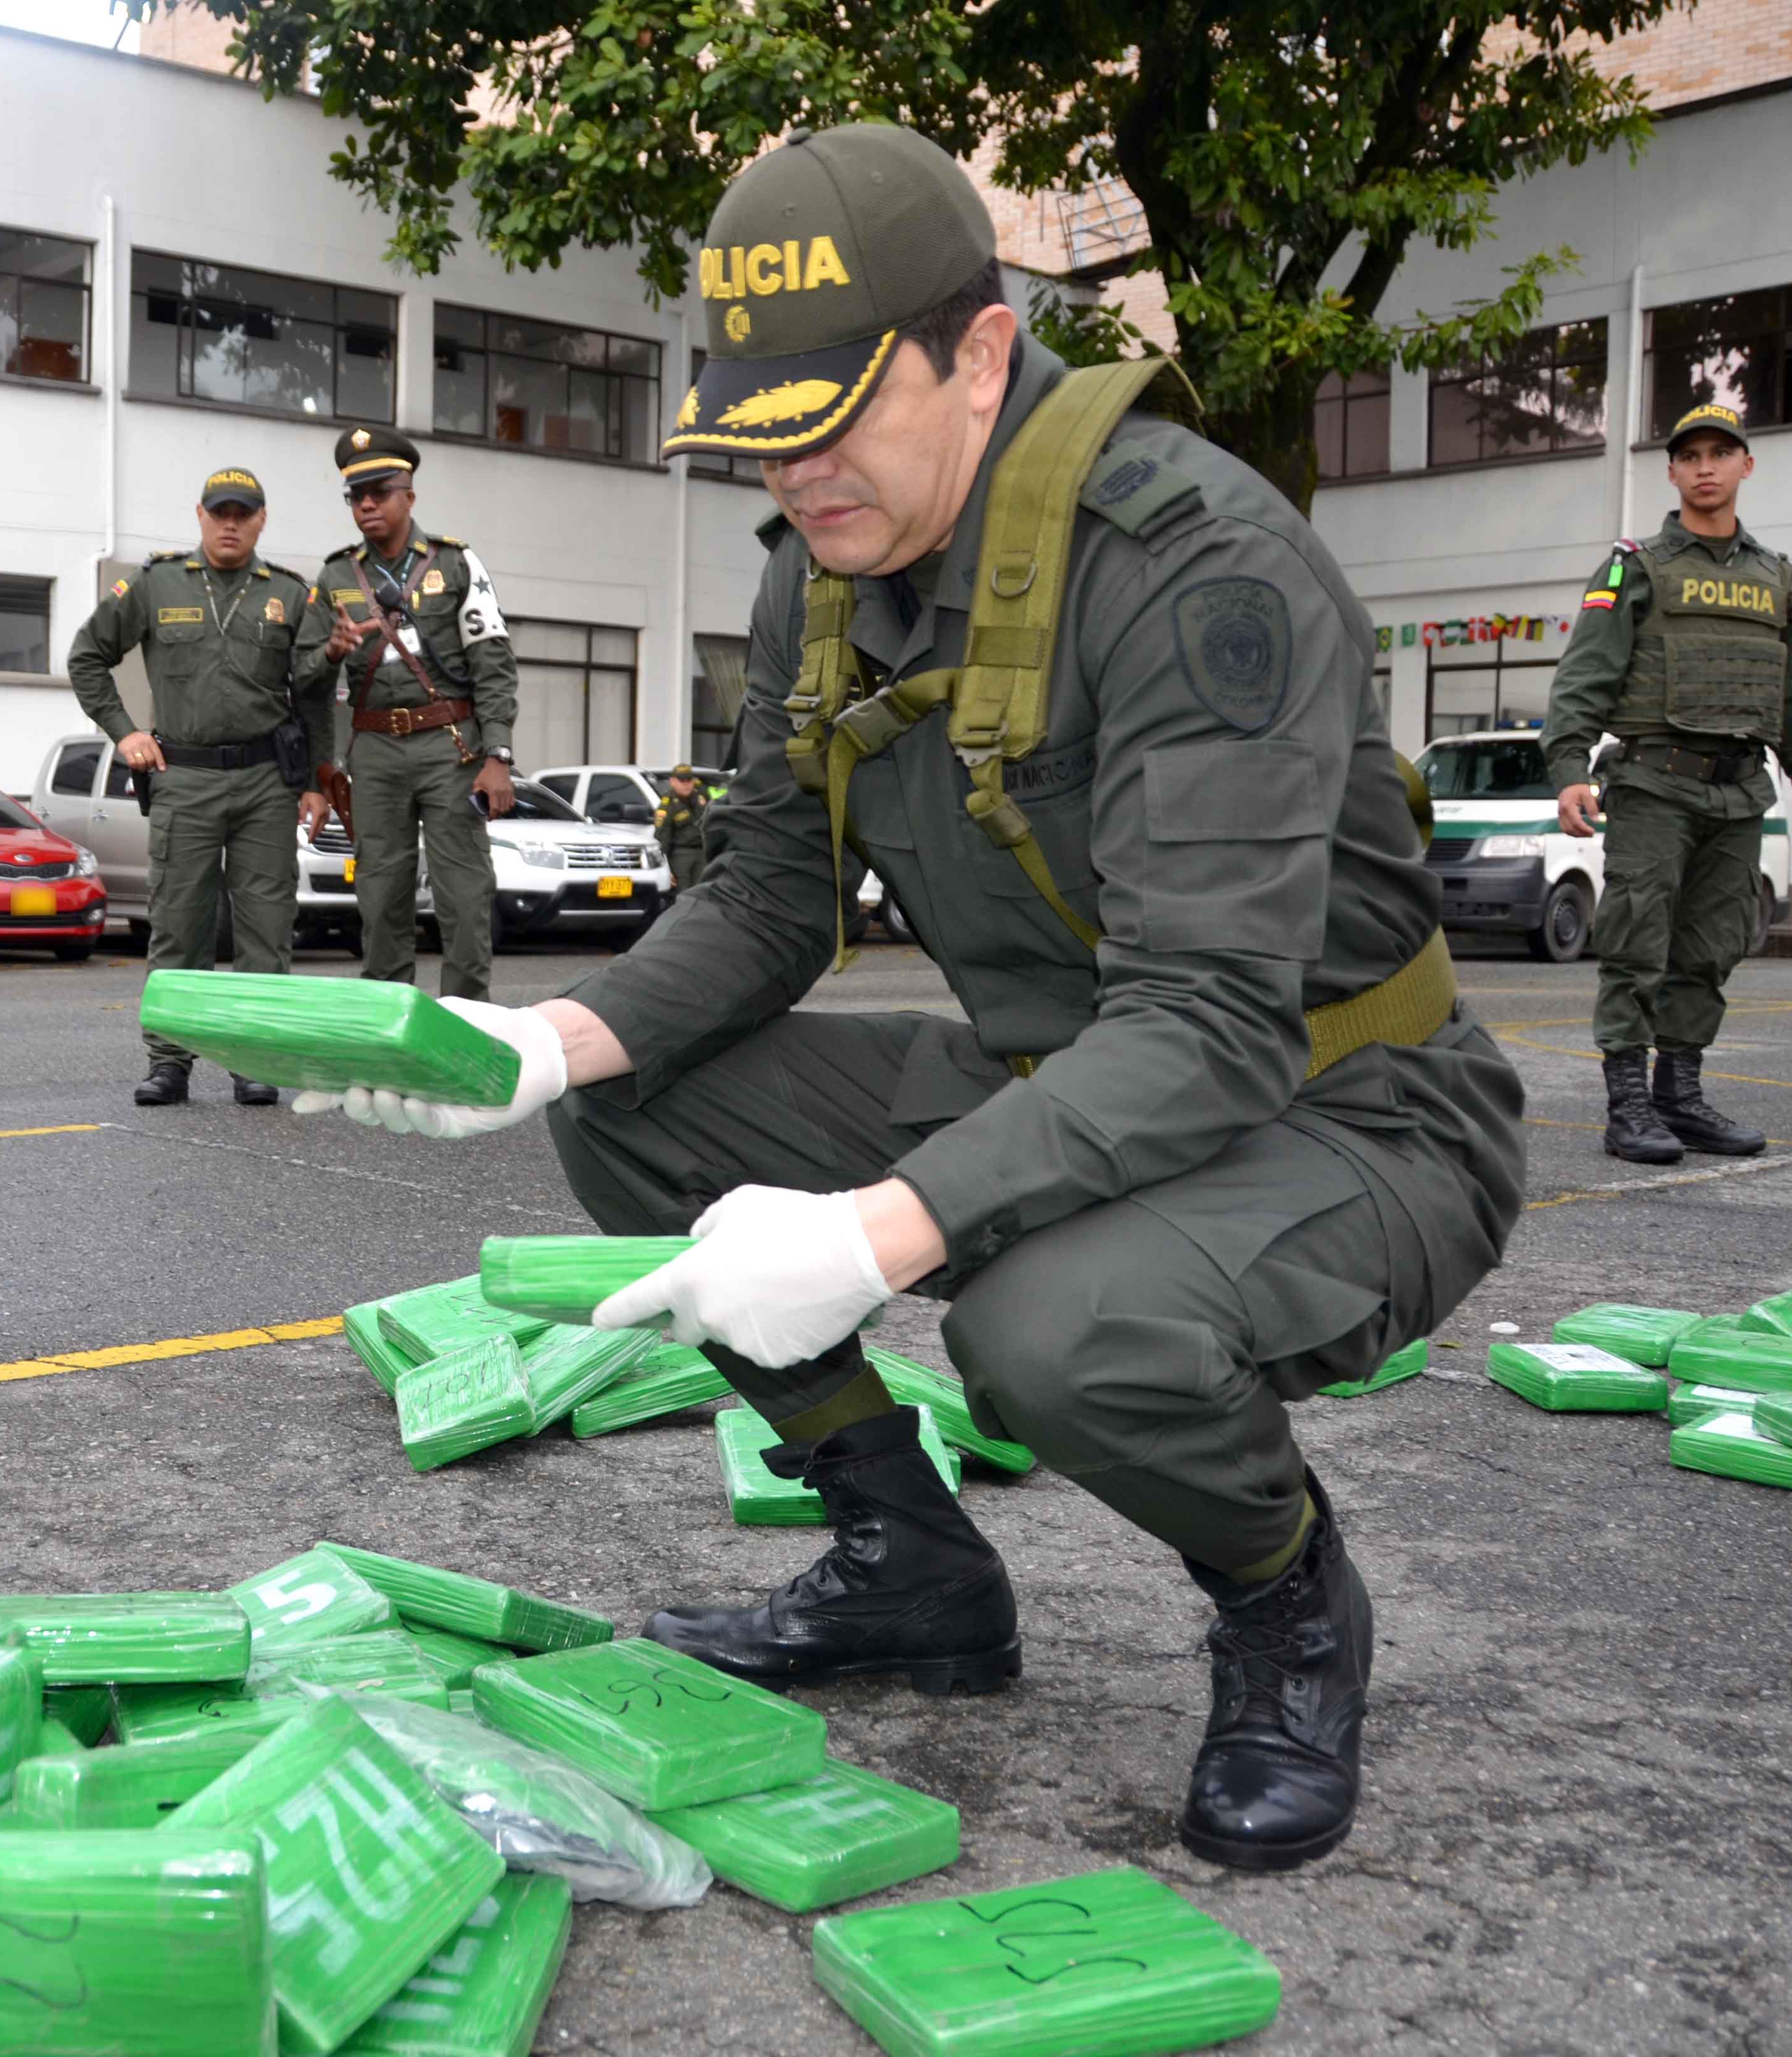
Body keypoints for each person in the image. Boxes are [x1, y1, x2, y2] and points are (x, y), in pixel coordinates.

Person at [296, 124, 1524, 1874]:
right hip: (1062, 1070)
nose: (798, 479)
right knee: (636, 1105)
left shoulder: (1194, 565)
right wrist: (535, 1045)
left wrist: (880, 1233)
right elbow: (777, 894)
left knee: (1051, 1332)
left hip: (1343, 1112)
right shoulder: (823, 566)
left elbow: (1212, 1026)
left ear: (983, 355)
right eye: (764, 437)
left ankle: (1286, 1599)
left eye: (834, 421)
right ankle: (916, 1570)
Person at [1544, 402, 1792, 1164]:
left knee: (1710, 949)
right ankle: (1628, 1109)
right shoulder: (1634, 564)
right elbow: (1584, 674)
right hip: (1653, 782)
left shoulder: (1773, 577)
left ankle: (1678, 1099)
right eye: (1690, 456)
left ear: (1745, 465)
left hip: (1739, 793)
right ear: (1672, 471)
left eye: (1720, 453)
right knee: (1635, 943)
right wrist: (1569, 769)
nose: (1705, 467)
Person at [67, 468, 327, 1106]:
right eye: (219, 512)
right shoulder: (156, 583)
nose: (230, 523)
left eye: (243, 512)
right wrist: (124, 731)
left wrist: (319, 779)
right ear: (200, 516)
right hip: (182, 777)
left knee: (266, 928)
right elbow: (86, 656)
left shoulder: (292, 596)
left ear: (262, 519)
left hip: (267, 781)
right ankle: (169, 1063)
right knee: (178, 926)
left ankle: (253, 1059)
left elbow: (317, 694)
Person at [292, 427, 519, 1001]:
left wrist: (498, 755)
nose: (366, 504)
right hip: (373, 755)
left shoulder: (457, 563)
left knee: (464, 894)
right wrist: (332, 651)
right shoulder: (336, 576)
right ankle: (392, 1030)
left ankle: (467, 1024)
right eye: (355, 496)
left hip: (451, 749)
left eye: (379, 491)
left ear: (408, 496)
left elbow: (494, 663)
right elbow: (303, 680)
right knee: (380, 894)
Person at [653, 764, 711, 894]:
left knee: (701, 895)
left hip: (702, 853)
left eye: (689, 780)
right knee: (683, 895)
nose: (686, 785)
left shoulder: (700, 796)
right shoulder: (667, 806)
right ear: (673, 782)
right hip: (680, 856)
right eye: (682, 781)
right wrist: (666, 869)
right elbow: (662, 839)